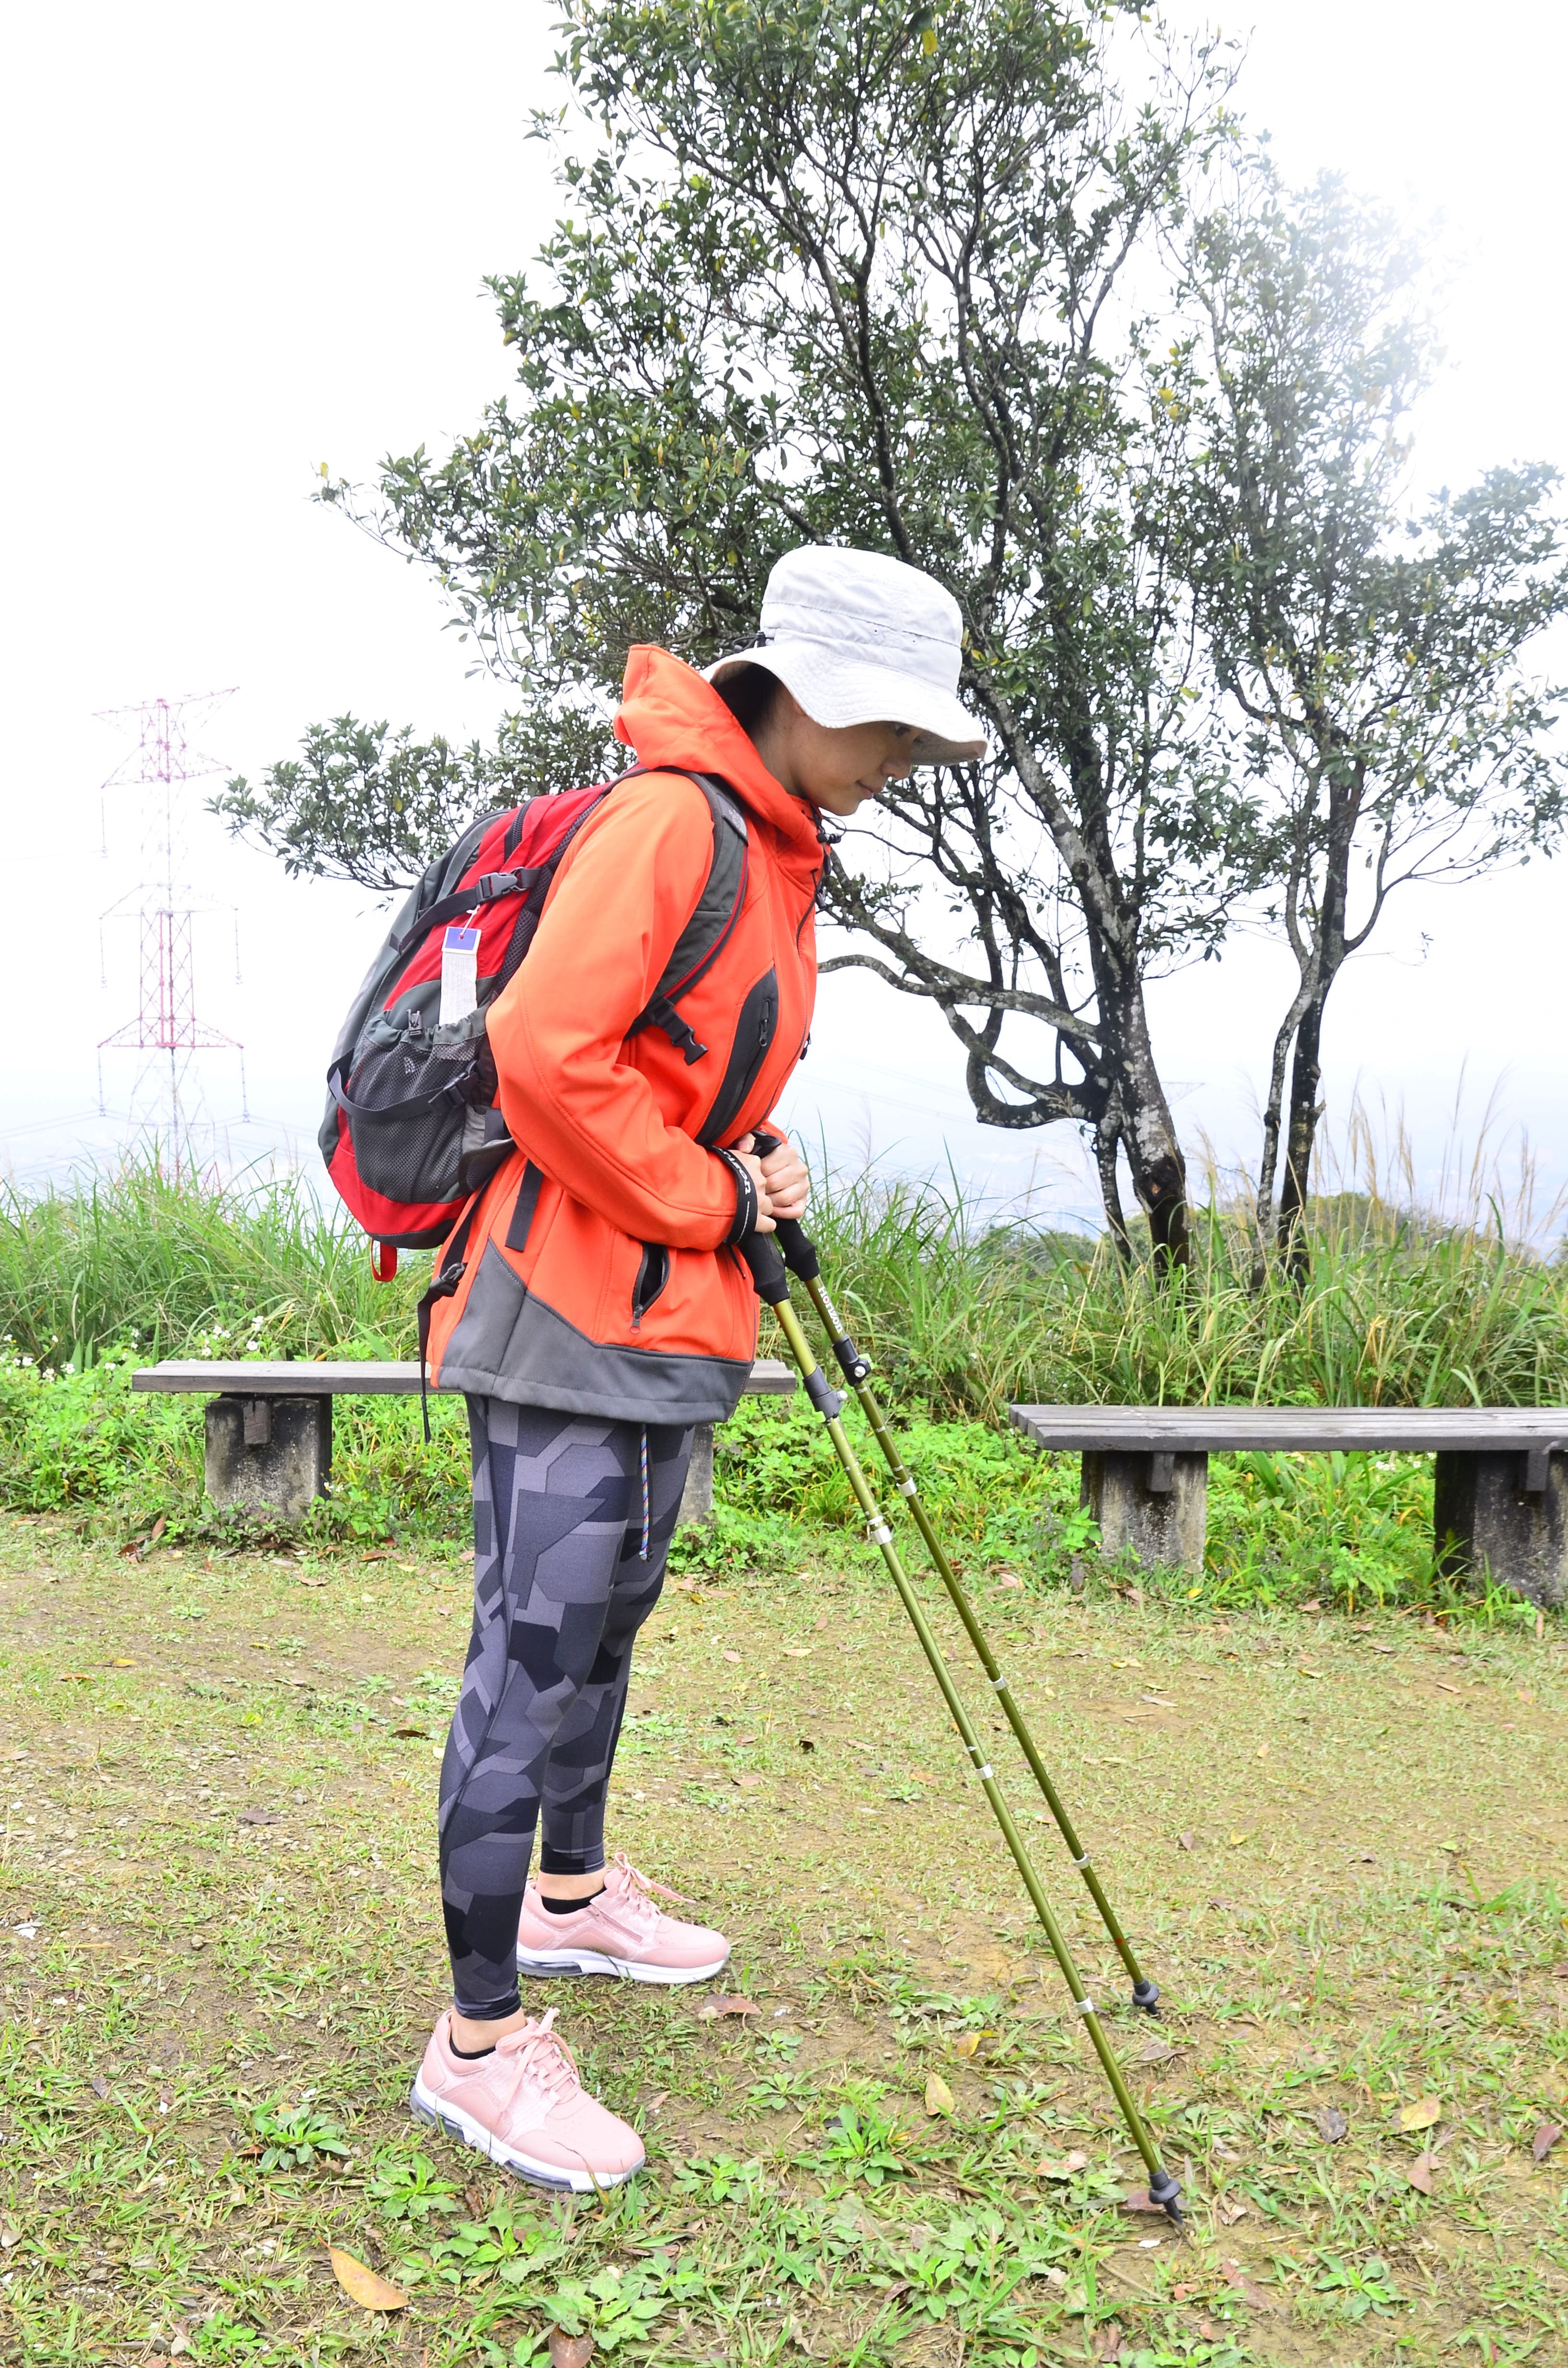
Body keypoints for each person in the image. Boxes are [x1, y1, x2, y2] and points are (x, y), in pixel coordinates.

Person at [410, 543, 987, 2190]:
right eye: (888, 730)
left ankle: (572, 1898)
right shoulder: (674, 819)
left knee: (605, 1629)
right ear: (800, 693)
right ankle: (475, 2042)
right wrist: (709, 1188)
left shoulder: (772, 843)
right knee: (527, 1664)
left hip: (668, 1313)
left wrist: (751, 1149)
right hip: (566, 1309)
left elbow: (670, 1064)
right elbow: (544, 1052)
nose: (900, 765)